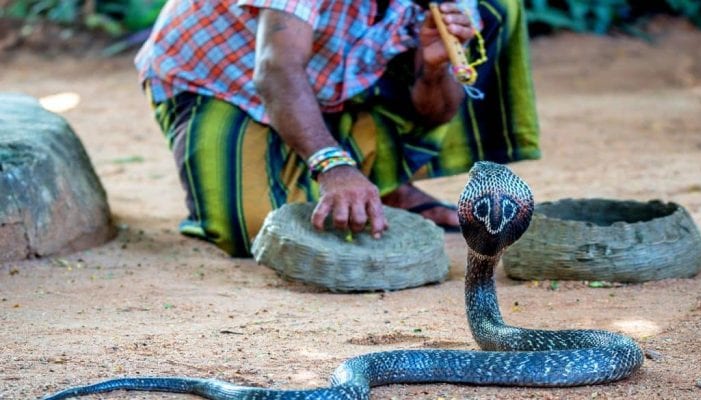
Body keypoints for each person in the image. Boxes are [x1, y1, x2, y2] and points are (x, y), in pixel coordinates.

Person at [135, 0, 541, 257]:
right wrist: (334, 165)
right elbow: (275, 72)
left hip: (331, 78)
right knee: (251, 228)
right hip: (221, 79)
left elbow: (436, 112)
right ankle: (346, 173)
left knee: (495, 8)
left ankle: (381, 182)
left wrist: (433, 68)